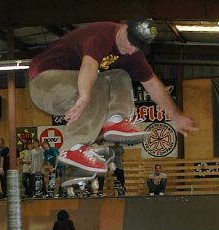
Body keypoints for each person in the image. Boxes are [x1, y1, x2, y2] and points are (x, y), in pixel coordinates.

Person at [28, 18, 197, 174]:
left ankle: (114, 121)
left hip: (69, 87)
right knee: (98, 83)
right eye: (132, 43)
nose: (132, 51)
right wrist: (85, 96)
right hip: (44, 83)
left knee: (120, 75)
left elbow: (152, 84)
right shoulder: (102, 35)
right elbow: (89, 67)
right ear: (123, 28)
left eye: (138, 47)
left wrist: (176, 115)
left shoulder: (132, 54)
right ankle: (73, 147)